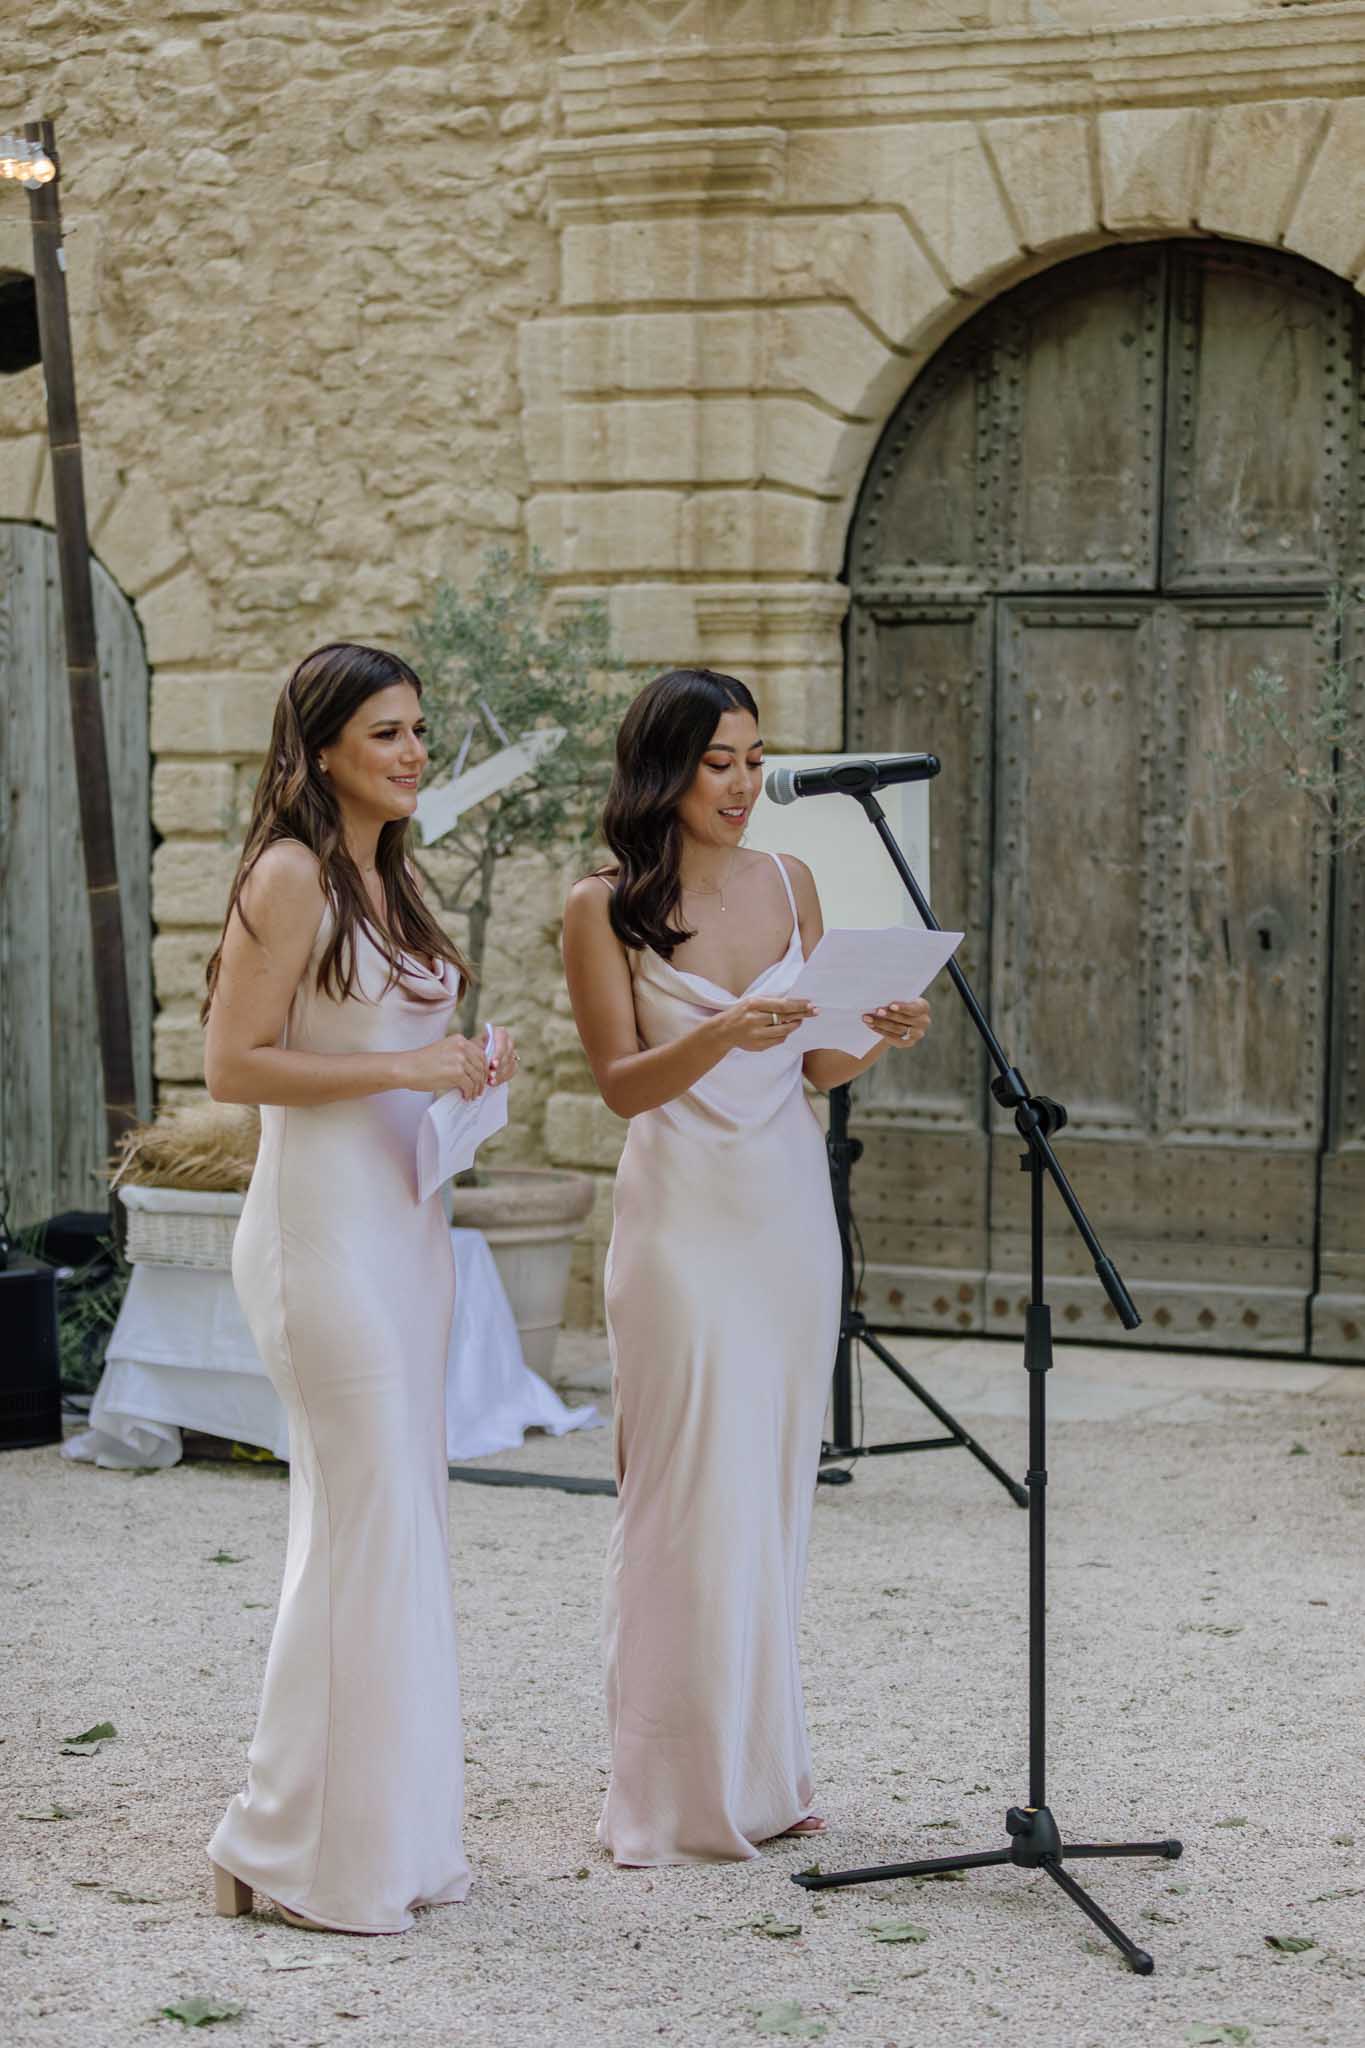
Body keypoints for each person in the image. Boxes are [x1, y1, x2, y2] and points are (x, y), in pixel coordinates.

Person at [562, 668, 931, 1867]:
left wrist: (870, 1031)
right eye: (719, 759)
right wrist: (719, 1028)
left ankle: (765, 1776)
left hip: (784, 1217)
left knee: (770, 1495)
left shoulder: (794, 882)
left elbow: (815, 1068)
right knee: (678, 1494)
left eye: (754, 757)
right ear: (664, 770)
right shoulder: (602, 904)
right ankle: (667, 1792)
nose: (744, 782)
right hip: (677, 1225)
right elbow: (622, 1084)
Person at [201, 641, 517, 1933]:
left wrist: (463, 1074)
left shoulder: (392, 875)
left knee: (396, 1530)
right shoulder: (285, 875)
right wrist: (406, 1071)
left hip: (406, 1229)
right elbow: (233, 1064)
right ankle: (276, 1841)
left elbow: (392, 1047)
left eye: (418, 731)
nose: (411, 752)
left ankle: (380, 1837)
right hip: (319, 1237)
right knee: (360, 1526)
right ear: (321, 744)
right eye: (385, 732)